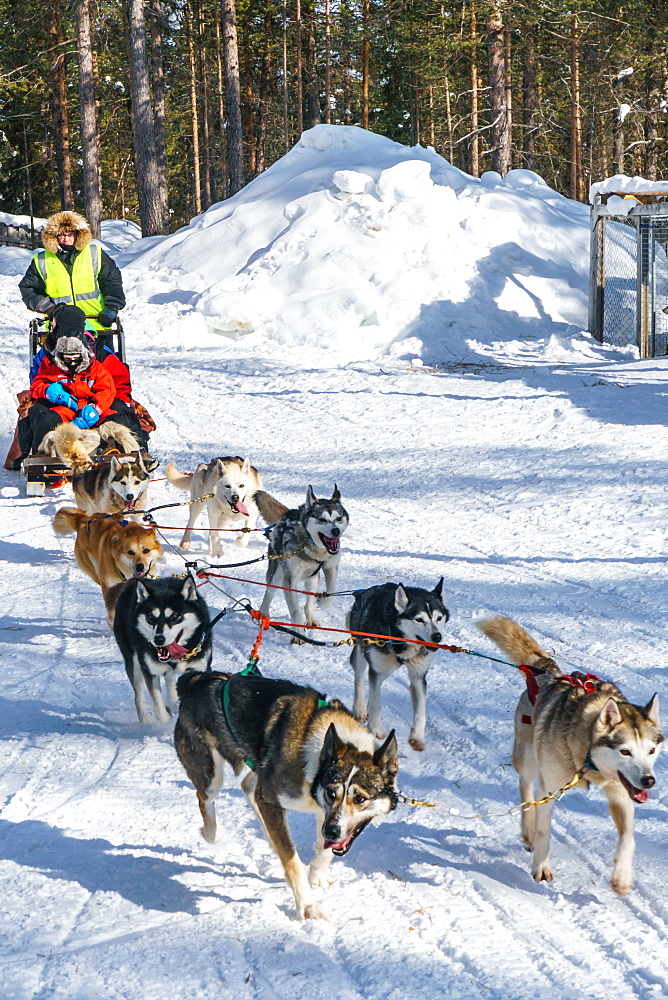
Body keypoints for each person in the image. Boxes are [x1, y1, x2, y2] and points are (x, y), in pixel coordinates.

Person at [19, 210, 125, 332]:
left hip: (96, 324)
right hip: (59, 327)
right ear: (54, 237)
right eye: (62, 235)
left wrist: (111, 308)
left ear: (78, 235)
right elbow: (28, 288)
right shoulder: (42, 260)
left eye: (71, 234)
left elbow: (112, 281)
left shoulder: (95, 253)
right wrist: (48, 308)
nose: (66, 239)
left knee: (106, 352)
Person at [22, 336, 117, 459]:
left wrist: (96, 408)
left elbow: (107, 390)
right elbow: (36, 386)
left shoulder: (95, 368)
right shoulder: (51, 367)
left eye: (75, 359)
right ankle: (43, 458)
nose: (72, 363)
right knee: (45, 418)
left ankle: (126, 454)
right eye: (68, 360)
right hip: (64, 408)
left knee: (118, 418)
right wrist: (49, 391)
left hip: (90, 407)